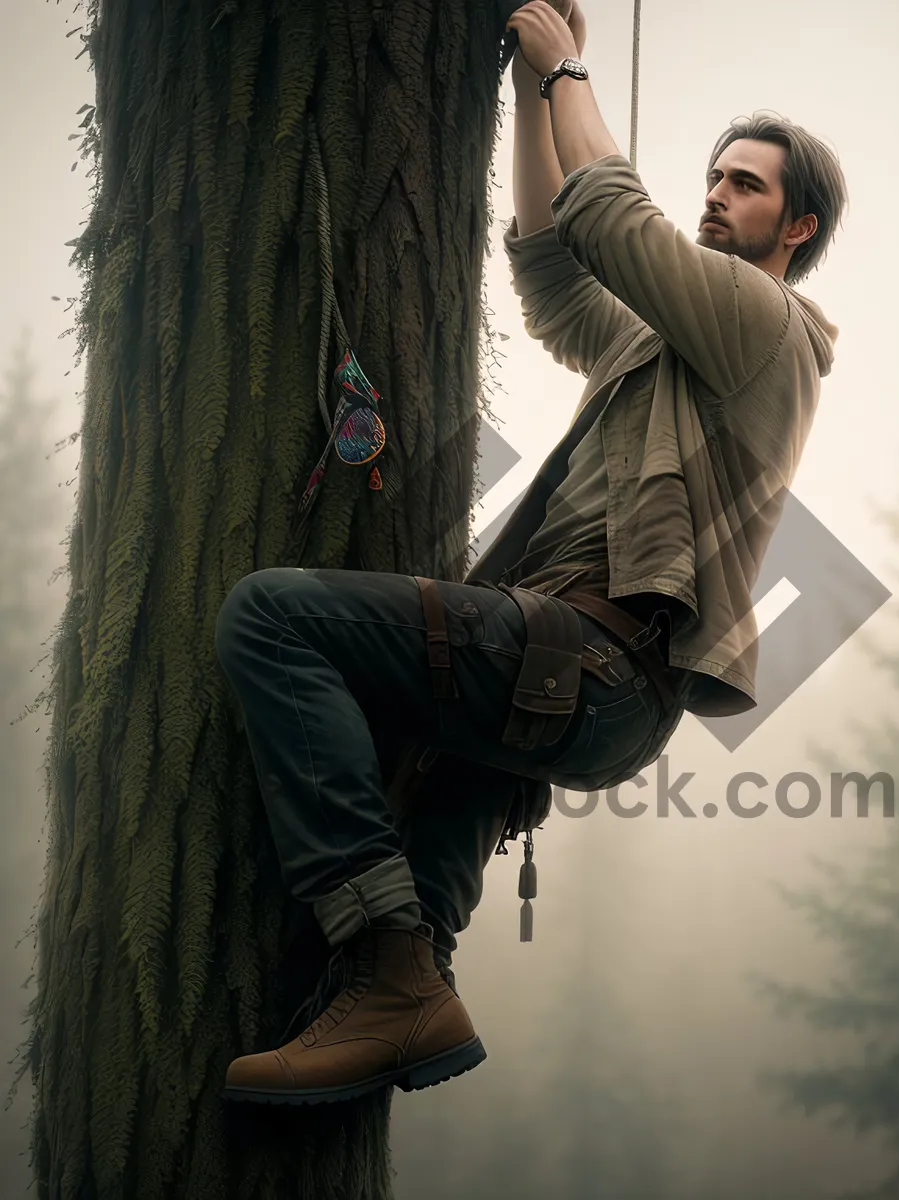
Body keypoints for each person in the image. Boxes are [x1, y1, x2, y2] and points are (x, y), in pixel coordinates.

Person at [217, 0, 844, 1105]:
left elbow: (611, 217)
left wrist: (568, 74)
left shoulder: (765, 328)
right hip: (573, 673)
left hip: (595, 661)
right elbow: (557, 270)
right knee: (452, 768)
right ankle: (406, 994)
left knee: (272, 617)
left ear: (794, 230)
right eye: (716, 174)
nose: (716, 192)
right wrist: (522, 87)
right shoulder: (663, 347)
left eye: (747, 184)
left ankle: (384, 962)